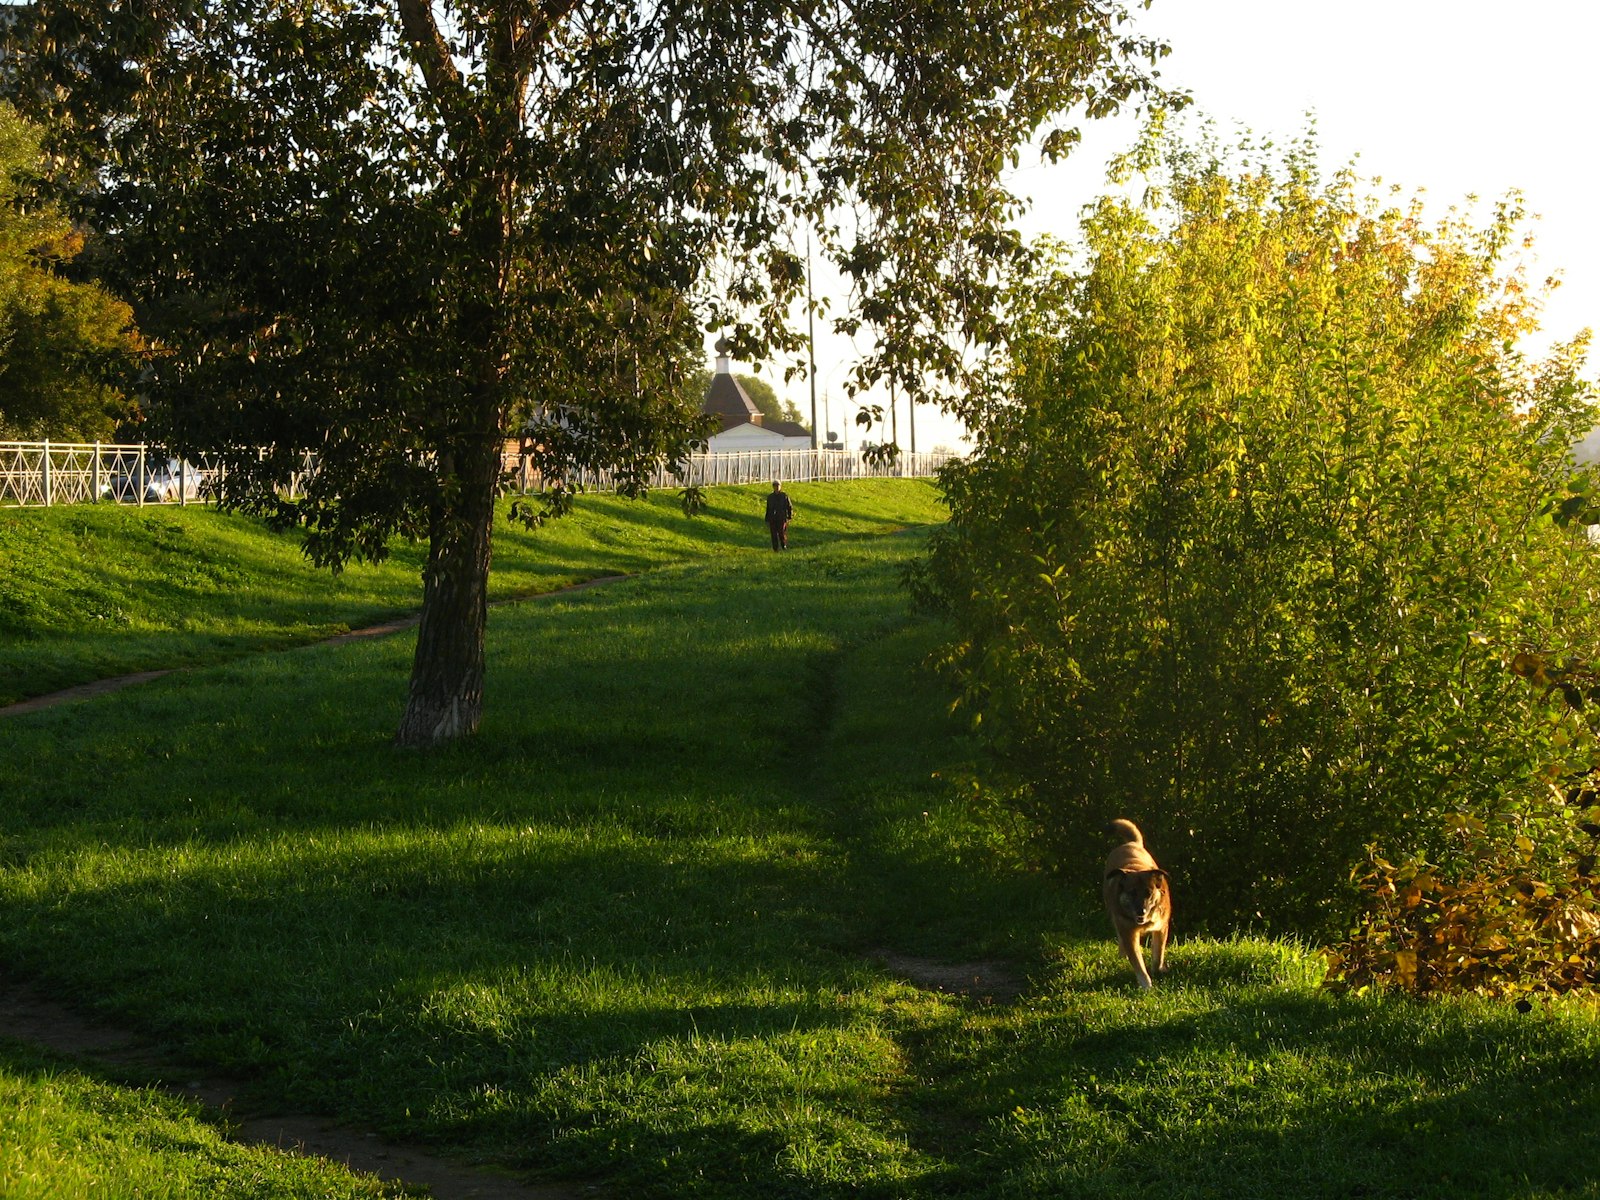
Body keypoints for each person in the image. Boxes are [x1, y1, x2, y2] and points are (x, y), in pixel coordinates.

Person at [764, 481, 794, 551]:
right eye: (775, 486)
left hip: (782, 517)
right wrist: (767, 518)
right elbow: (768, 508)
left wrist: (789, 516)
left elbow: (789, 507)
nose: (776, 487)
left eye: (778, 485)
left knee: (781, 533)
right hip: (772, 518)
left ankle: (784, 546)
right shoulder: (770, 497)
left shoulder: (784, 496)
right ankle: (775, 549)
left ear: (780, 486)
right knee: (773, 534)